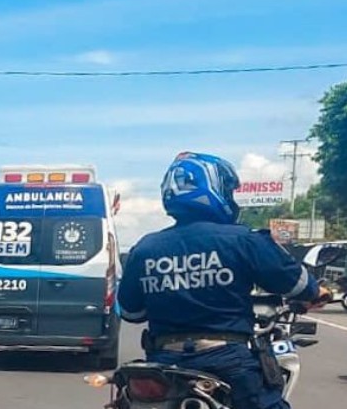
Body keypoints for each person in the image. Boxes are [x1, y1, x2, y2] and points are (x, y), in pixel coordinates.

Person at [118, 152, 330, 409]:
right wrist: (318, 291)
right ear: (215, 188)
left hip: (164, 361)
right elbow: (296, 285)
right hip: (228, 360)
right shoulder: (243, 240)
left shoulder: (145, 248)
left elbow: (131, 311)